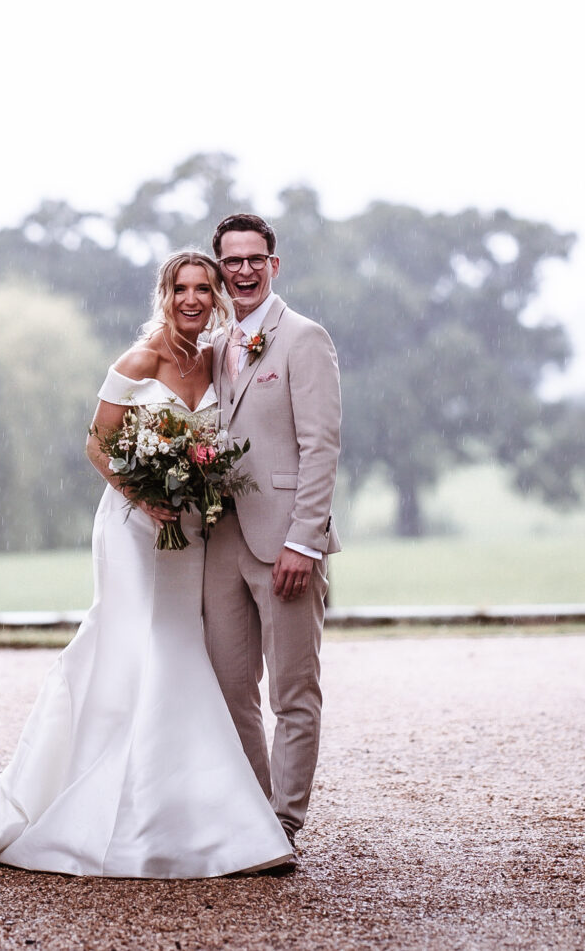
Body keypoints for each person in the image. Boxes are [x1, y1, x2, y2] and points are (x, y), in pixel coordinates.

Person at [0, 251, 294, 878]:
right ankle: (146, 817)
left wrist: (195, 488)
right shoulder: (140, 360)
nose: (192, 300)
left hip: (190, 529)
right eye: (181, 289)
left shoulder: (220, 360)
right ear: (164, 295)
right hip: (135, 529)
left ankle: (194, 812)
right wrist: (148, 497)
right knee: (149, 643)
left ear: (217, 296)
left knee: (176, 643)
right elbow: (96, 443)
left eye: (204, 289)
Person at [201, 211, 341, 847]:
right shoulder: (214, 344)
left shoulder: (304, 339)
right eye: (233, 261)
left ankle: (284, 825)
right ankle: (252, 815)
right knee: (230, 688)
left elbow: (321, 446)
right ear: (220, 268)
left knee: (292, 691)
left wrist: (303, 541)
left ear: (274, 265)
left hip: (284, 541)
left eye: (256, 259)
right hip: (220, 540)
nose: (245, 271)